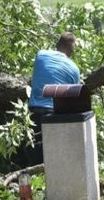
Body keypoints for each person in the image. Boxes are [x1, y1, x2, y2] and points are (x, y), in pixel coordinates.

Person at [26, 32, 81, 165]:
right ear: (71, 49)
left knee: (34, 153)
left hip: (34, 111)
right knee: (53, 155)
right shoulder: (74, 69)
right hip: (55, 114)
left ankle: (33, 180)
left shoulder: (41, 55)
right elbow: (72, 98)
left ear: (57, 44)